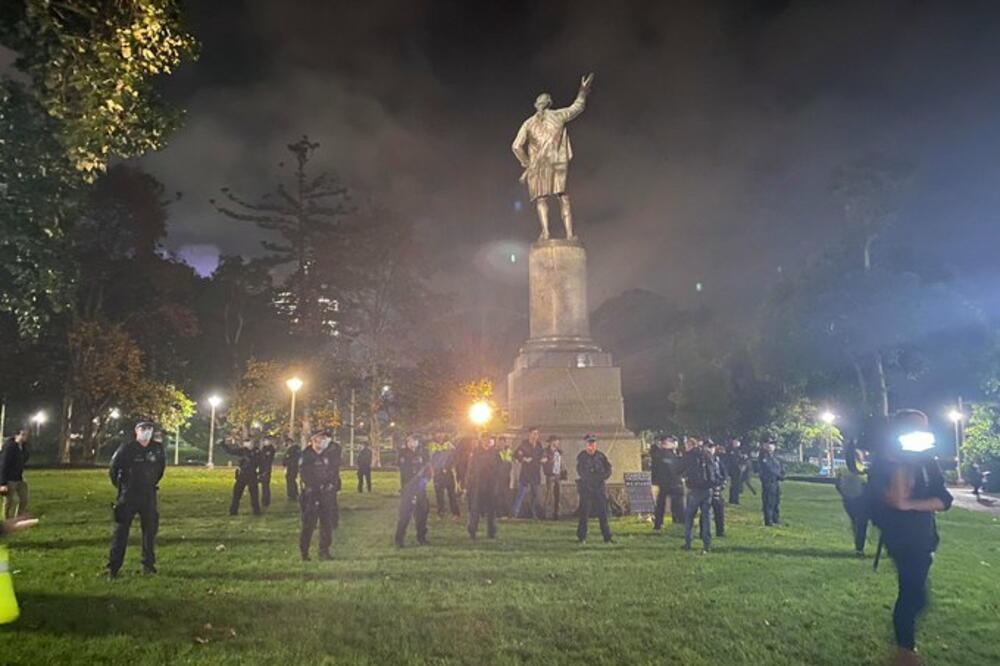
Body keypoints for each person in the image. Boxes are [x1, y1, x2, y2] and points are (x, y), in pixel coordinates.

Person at [868, 409, 953, 663]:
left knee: (917, 598)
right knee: (911, 593)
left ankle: (903, 647)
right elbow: (890, 499)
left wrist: (912, 505)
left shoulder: (928, 461)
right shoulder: (884, 463)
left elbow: (944, 499)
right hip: (901, 539)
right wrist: (900, 464)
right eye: (918, 428)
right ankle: (906, 651)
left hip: (925, 537)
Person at [106, 421, 165, 578]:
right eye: (143, 428)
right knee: (121, 532)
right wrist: (122, 486)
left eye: (149, 429)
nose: (146, 431)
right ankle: (114, 567)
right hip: (128, 495)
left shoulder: (157, 449)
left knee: (149, 533)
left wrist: (151, 483)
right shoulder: (127, 448)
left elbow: (160, 469)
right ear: (136, 431)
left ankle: (148, 566)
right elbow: (113, 469)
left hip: (148, 495)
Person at [298, 429, 342, 561]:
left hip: (325, 495)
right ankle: (304, 552)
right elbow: (305, 475)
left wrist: (330, 484)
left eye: (324, 439)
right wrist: (318, 487)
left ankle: (324, 551)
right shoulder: (306, 456)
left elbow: (332, 472)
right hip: (312, 495)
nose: (323, 441)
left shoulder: (326, 455)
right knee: (309, 525)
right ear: (313, 440)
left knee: (326, 524)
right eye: (320, 439)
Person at [576, 434, 613, 544]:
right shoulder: (582, 457)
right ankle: (581, 537)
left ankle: (607, 537)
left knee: (603, 514)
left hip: (599, 488)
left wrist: (601, 477)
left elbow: (608, 469)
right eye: (589, 444)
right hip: (586, 489)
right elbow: (581, 472)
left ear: (596, 445)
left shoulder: (601, 456)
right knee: (584, 514)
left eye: (593, 444)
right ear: (586, 445)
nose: (591, 446)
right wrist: (592, 478)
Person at [681, 437, 716, 553]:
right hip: (708, 489)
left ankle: (688, 542)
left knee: (689, 517)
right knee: (706, 517)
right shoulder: (707, 454)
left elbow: (680, 469)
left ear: (691, 445)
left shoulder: (689, 456)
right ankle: (707, 544)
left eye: (686, 445)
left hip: (694, 489)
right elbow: (714, 471)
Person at [395, 436, 431, 547]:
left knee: (422, 513)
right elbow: (404, 470)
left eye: (415, 440)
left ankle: (421, 537)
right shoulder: (403, 453)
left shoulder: (423, 453)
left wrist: (424, 480)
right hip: (408, 488)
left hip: (420, 488)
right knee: (405, 514)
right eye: (410, 441)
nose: (412, 443)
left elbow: (428, 470)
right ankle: (399, 539)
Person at [836, 445, 869, 556]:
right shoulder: (861, 468)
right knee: (861, 524)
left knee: (855, 522)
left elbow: (837, 484)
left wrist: (843, 493)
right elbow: (866, 483)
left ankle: (858, 545)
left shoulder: (842, 469)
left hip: (847, 499)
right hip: (861, 500)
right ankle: (859, 547)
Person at [467, 435, 501, 539]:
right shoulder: (476, 453)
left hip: (491, 484)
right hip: (478, 485)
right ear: (481, 441)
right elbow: (471, 468)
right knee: (475, 509)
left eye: (488, 441)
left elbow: (499, 467)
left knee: (492, 510)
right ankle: (472, 530)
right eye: (484, 440)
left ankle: (491, 532)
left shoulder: (495, 453)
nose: (486, 443)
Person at [650, 436, 684, 530]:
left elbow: (654, 470)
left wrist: (655, 482)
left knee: (661, 504)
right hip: (672, 482)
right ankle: (678, 520)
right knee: (676, 504)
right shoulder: (671, 456)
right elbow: (678, 469)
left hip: (663, 483)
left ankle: (658, 523)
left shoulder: (658, 455)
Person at [222, 437, 261, 516]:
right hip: (242, 474)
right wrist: (223, 444)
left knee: (254, 494)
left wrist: (261, 474)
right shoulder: (243, 451)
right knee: (237, 493)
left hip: (252, 474)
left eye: (248, 442)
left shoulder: (257, 452)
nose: (246, 444)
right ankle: (233, 511)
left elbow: (261, 462)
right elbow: (231, 451)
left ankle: (256, 511)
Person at [512, 428, 544, 519]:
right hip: (526, 473)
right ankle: (515, 512)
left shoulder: (539, 445)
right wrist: (523, 459)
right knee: (521, 493)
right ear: (529, 434)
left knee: (535, 494)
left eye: (537, 434)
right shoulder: (524, 445)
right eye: (533, 434)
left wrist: (543, 459)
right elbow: (516, 455)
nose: (535, 436)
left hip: (535, 473)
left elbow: (542, 455)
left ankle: (533, 513)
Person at [0, 427, 30, 519]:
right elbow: (3, 464)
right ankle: (6, 519)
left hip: (19, 477)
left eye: (26, 435)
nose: (25, 437)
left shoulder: (23, 447)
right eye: (23, 434)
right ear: (17, 435)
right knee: (9, 501)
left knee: (24, 499)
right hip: (9, 479)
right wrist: (3, 483)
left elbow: (25, 458)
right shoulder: (10, 447)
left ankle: (19, 517)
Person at [428, 433, 460, 518]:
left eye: (441, 433)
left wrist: (449, 466)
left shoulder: (449, 445)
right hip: (438, 474)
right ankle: (440, 513)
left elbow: (455, 457)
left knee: (452, 494)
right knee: (439, 495)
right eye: (438, 433)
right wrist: (433, 470)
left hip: (448, 473)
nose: (440, 436)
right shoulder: (432, 446)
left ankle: (455, 513)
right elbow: (430, 460)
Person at [759, 439, 785, 526]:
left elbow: (780, 467)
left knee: (776, 501)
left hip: (776, 481)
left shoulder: (775, 457)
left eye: (772, 444)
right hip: (768, 481)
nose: (771, 446)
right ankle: (769, 520)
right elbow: (769, 468)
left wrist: (782, 474)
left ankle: (775, 519)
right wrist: (778, 475)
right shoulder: (763, 456)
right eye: (769, 444)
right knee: (769, 501)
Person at [541, 435, 563, 520]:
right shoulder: (546, 451)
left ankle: (556, 513)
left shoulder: (559, 451)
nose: (558, 443)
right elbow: (543, 460)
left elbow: (561, 462)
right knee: (549, 494)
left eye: (558, 441)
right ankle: (546, 513)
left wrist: (562, 470)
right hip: (550, 474)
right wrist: (549, 461)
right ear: (551, 442)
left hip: (558, 475)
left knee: (558, 494)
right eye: (556, 441)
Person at [710, 443, 728, 538]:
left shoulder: (718, 461)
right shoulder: (704, 460)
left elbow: (724, 473)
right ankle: (704, 532)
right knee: (706, 512)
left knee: (719, 511)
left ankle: (720, 532)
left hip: (718, 489)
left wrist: (722, 485)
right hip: (708, 489)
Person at [495, 438, 514, 517]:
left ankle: (507, 513)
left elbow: (510, 463)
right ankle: (500, 513)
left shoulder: (508, 451)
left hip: (506, 477)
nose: (501, 444)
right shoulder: (495, 452)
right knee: (499, 495)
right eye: (500, 443)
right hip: (498, 477)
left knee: (506, 495)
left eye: (503, 442)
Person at [258, 435, 276, 509]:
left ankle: (266, 500)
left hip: (266, 469)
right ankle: (264, 499)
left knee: (265, 485)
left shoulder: (270, 449)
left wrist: (265, 470)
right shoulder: (264, 449)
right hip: (262, 468)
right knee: (263, 485)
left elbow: (268, 461)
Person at [726, 439, 744, 505]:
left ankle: (735, 499)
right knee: (734, 485)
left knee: (737, 485)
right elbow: (731, 460)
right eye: (735, 442)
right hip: (733, 469)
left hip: (738, 470)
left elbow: (742, 459)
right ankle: (732, 499)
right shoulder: (730, 450)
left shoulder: (739, 451)